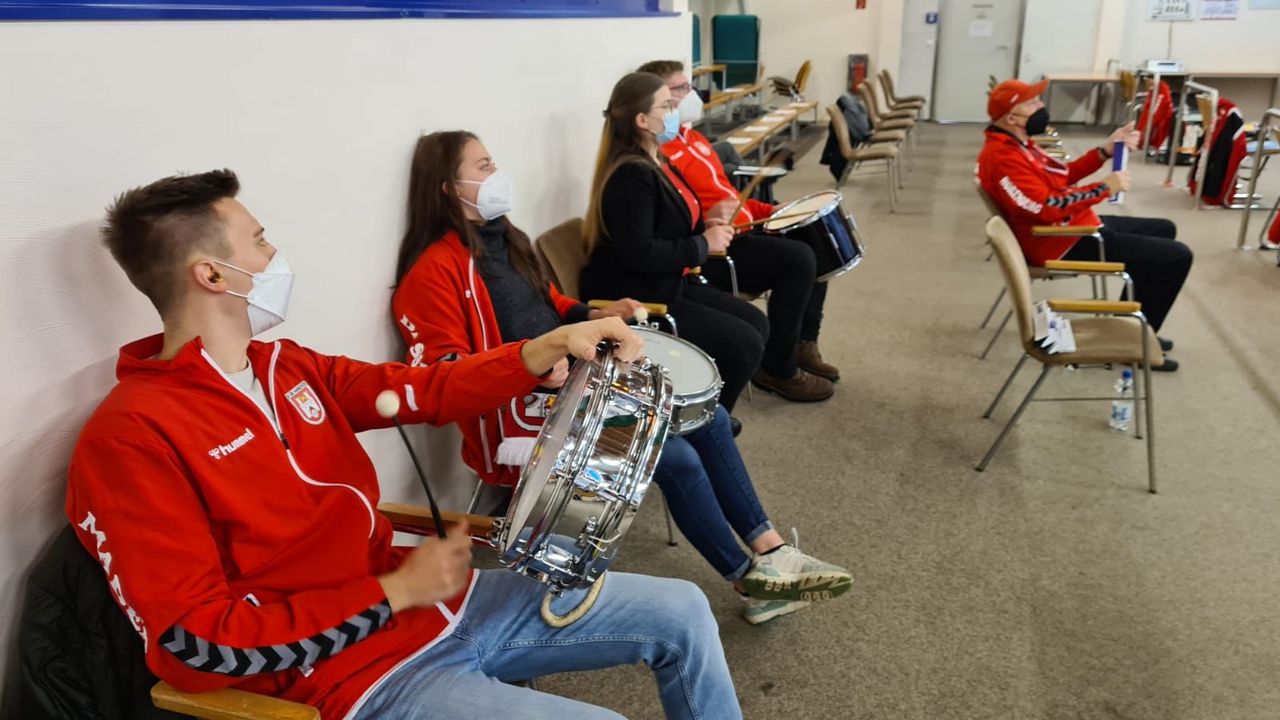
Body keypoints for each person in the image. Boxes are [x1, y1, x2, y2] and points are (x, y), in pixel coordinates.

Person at [66, 169, 742, 720]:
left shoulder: (286, 367)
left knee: (681, 608)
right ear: (213, 275)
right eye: (259, 240)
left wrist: (545, 346)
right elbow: (193, 644)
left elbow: (427, 389)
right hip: (348, 680)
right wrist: (390, 595)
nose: (275, 254)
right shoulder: (131, 438)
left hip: (435, 605)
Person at [391, 131, 853, 625]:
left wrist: (595, 311)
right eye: (483, 167)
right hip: (516, 419)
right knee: (672, 455)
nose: (496, 174)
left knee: (711, 418)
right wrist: (529, 369)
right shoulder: (431, 273)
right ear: (447, 187)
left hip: (573, 381)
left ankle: (772, 547)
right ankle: (750, 580)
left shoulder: (504, 236)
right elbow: (441, 378)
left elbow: (549, 306)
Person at [579, 72, 833, 409]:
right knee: (744, 344)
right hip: (642, 293)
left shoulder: (657, 161)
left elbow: (668, 224)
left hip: (669, 280)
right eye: (667, 105)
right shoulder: (630, 175)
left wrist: (706, 224)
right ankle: (708, 424)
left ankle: (716, 417)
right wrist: (703, 243)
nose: (675, 110)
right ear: (642, 120)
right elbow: (640, 253)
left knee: (757, 323)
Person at [637, 59, 841, 387]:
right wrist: (707, 224)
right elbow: (677, 221)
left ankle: (803, 341)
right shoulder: (662, 154)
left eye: (688, 85)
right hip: (719, 250)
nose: (690, 94)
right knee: (799, 259)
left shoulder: (696, 140)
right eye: (679, 89)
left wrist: (774, 208)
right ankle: (779, 367)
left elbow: (731, 196)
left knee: (815, 234)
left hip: (743, 227)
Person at [976, 78, 1193, 371]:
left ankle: (1133, 330)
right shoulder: (1003, 157)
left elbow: (1062, 177)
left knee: (1163, 229)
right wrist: (1104, 188)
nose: (1041, 106)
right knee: (1176, 256)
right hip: (1059, 240)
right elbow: (1046, 208)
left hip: (1073, 225)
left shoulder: (1019, 144)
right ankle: (1136, 346)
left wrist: (1104, 151)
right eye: (1031, 102)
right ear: (1011, 117)